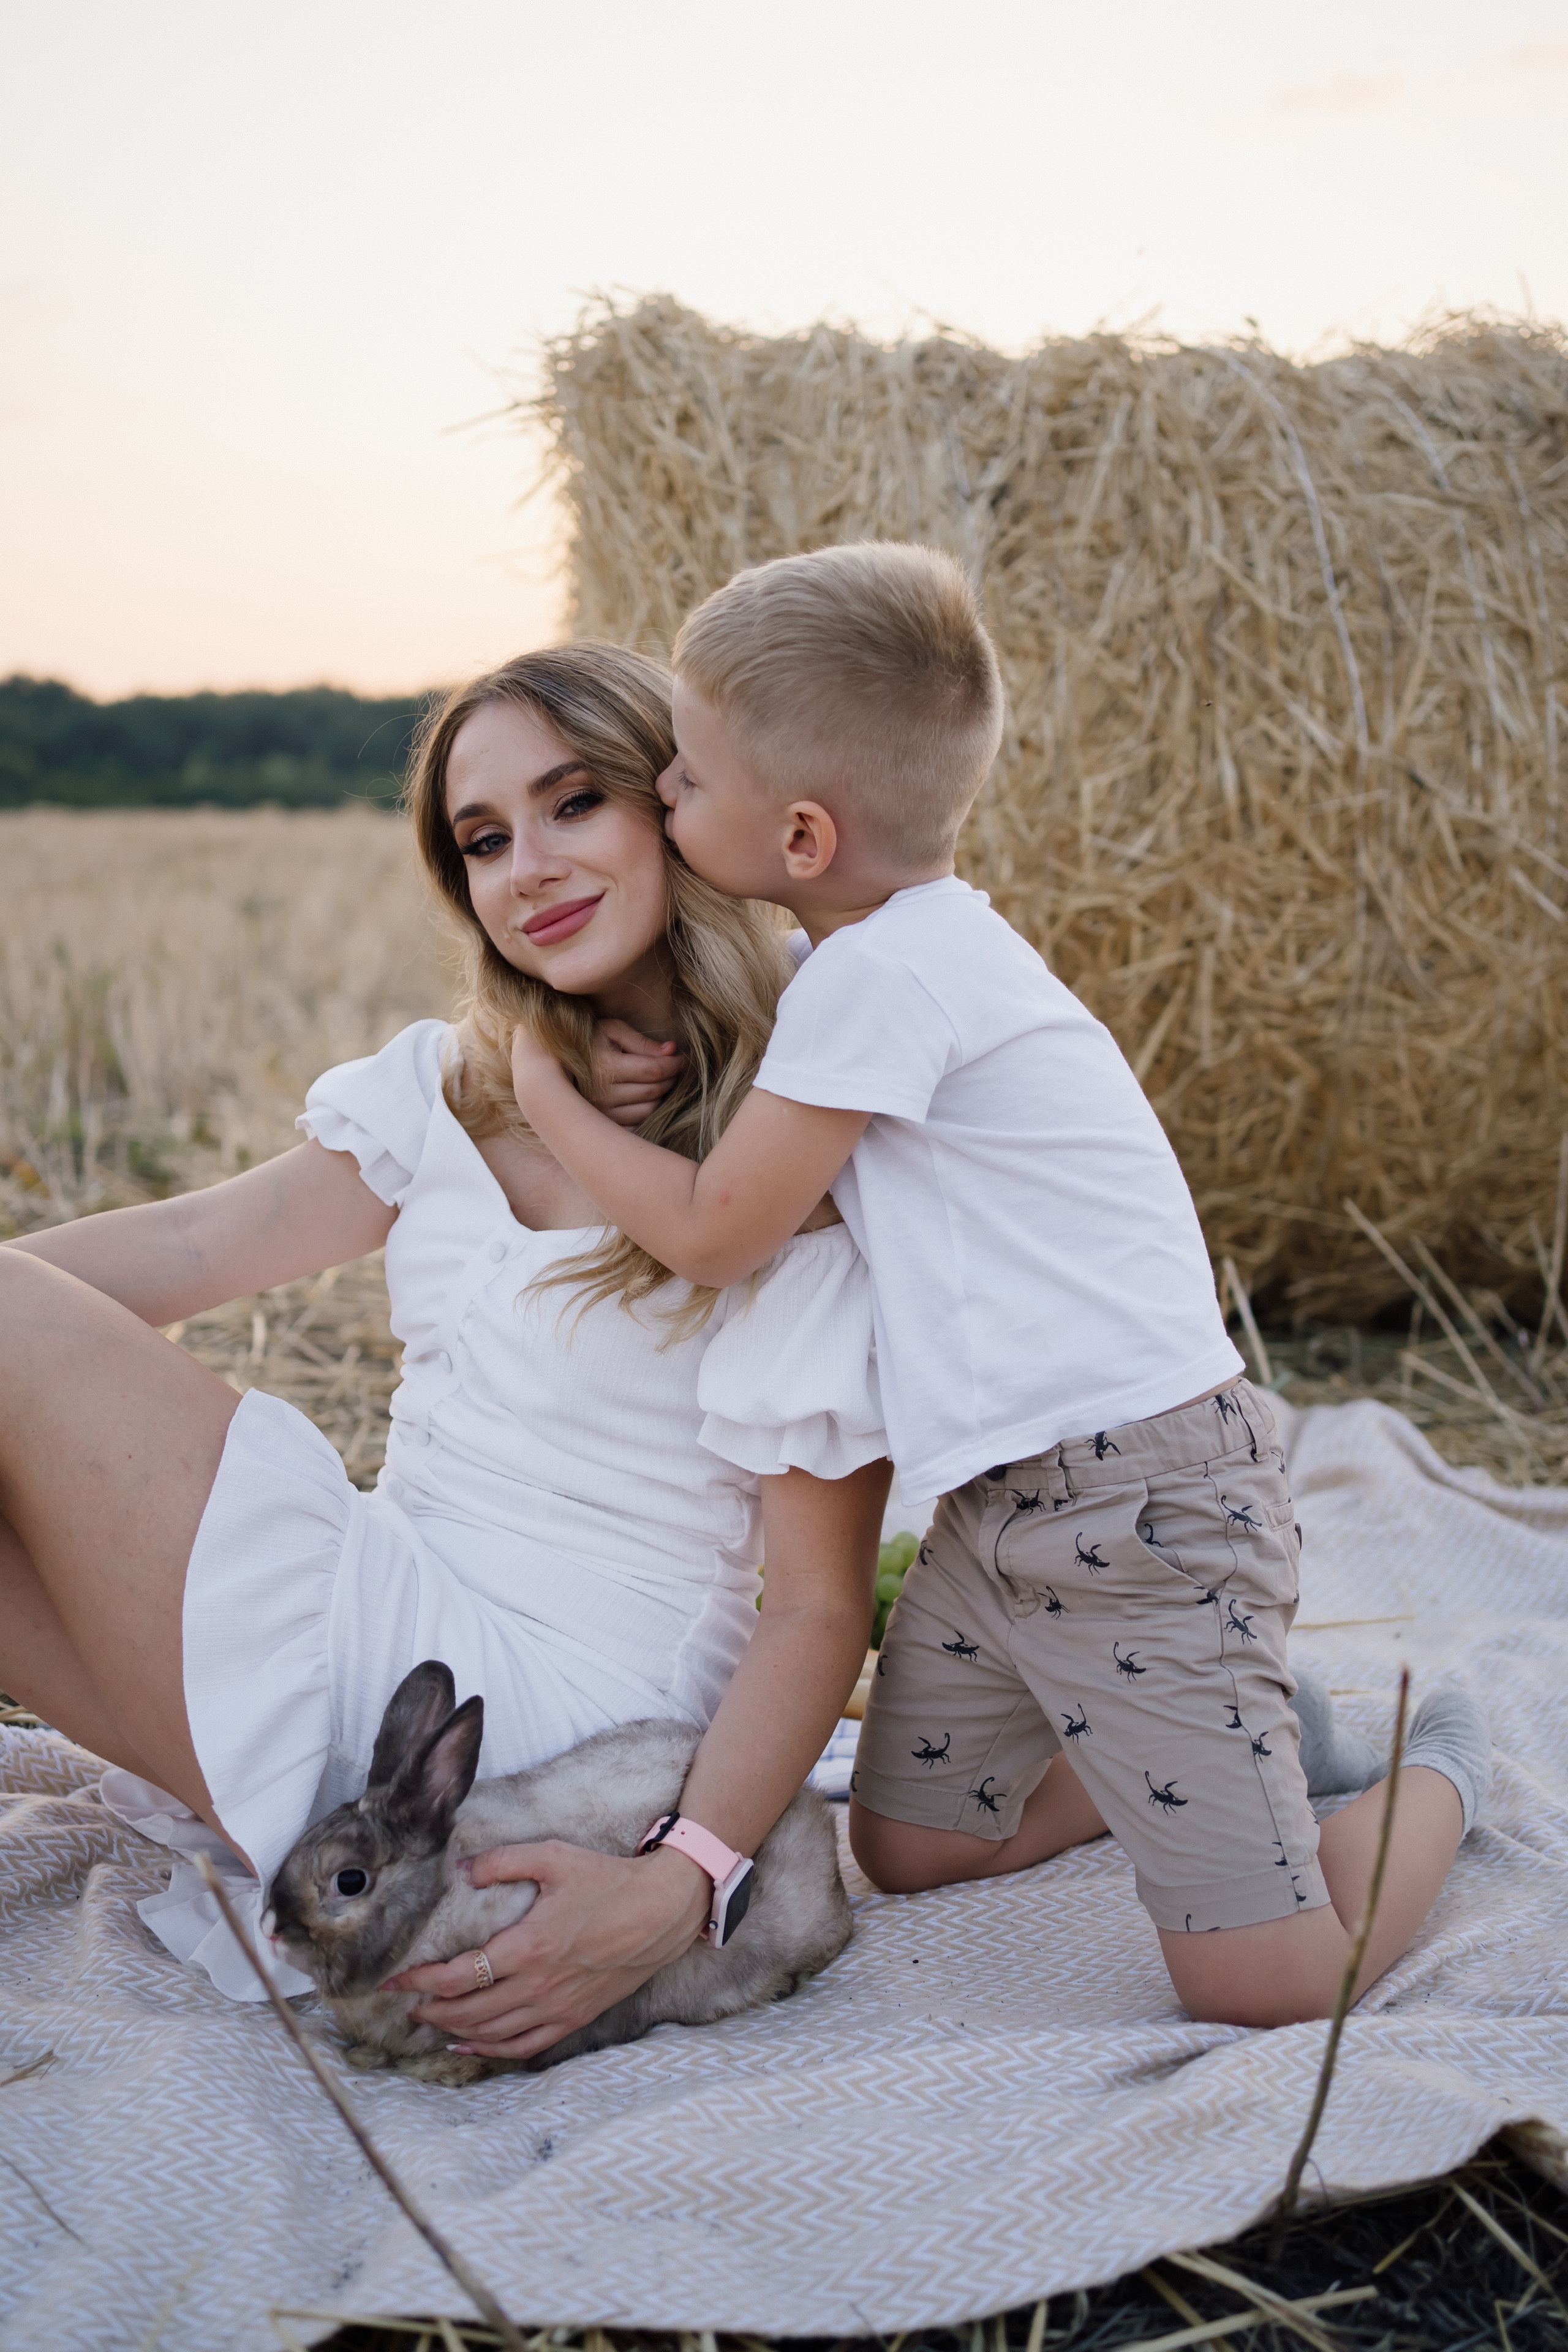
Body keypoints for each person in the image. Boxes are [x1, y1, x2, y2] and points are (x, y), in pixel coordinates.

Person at [508, 543, 1493, 2030]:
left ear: (800, 833)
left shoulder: (883, 979)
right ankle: (1245, 1742)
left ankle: (1436, 1771)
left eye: (686, 778)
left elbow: (718, 1233)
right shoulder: (883, 957)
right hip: (1004, 1509)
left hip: (1146, 1508)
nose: (659, 792)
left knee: (1270, 1988)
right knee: (912, 1845)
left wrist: (545, 1095)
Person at [0, 642, 891, 2065]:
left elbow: (816, 1607)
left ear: (681, 808)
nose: (528, 866)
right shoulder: (447, 1089)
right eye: (484, 839)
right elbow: (184, 1249)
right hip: (400, 1609)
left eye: (574, 803)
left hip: (548, 1718)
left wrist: (681, 1881)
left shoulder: (791, 1153)